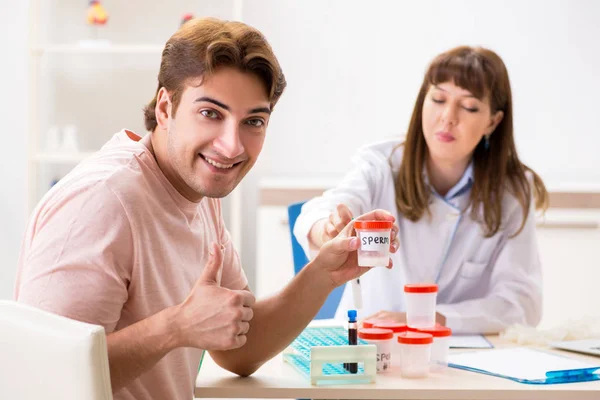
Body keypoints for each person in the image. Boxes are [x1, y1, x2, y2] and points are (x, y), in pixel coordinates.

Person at [14, 18, 398, 400]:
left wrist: (324, 274)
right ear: (166, 107)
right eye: (211, 113)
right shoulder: (100, 202)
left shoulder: (195, 192)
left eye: (253, 121)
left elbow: (241, 349)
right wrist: (175, 327)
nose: (232, 146)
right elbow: (43, 379)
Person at [294, 46, 549, 334]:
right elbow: (321, 210)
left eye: (468, 106)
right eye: (438, 99)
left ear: (493, 121)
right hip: (371, 344)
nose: (448, 117)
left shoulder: (512, 191)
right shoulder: (381, 164)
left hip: (460, 357)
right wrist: (327, 229)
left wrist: (429, 319)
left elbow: (522, 304)